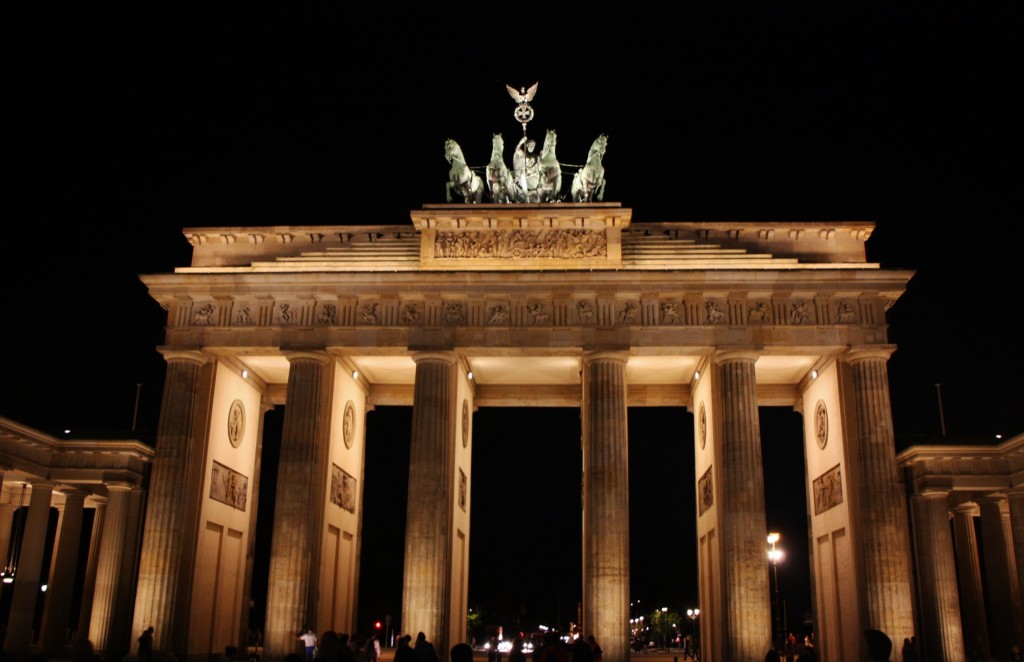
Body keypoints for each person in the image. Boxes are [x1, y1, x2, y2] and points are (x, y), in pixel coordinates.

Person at [513, 135, 540, 201]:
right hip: (524, 178)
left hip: (534, 178)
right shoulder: (524, 155)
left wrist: (531, 174)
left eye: (533, 146)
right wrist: (521, 141)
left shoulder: (537, 157)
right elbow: (517, 149)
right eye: (530, 146)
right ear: (527, 147)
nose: (531, 148)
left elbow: (538, 172)